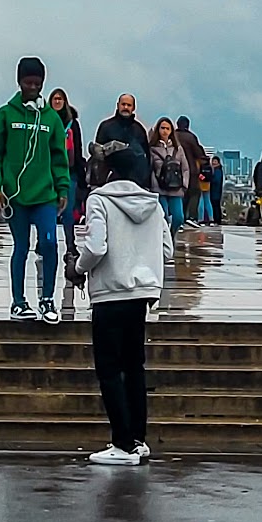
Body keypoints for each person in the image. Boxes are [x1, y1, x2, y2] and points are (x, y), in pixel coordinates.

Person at [73, 142, 173, 466]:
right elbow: (167, 250)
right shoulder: (153, 205)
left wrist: (77, 268)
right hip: (141, 294)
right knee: (134, 367)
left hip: (110, 292)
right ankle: (138, 440)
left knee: (109, 369)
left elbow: (96, 247)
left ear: (109, 169)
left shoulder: (99, 200)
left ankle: (122, 443)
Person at [0, 56, 69, 324]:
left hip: (45, 195)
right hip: (15, 196)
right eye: (28, 82)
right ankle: (18, 302)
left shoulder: (51, 119)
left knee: (49, 244)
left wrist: (63, 188)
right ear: (19, 81)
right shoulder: (5, 115)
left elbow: (59, 157)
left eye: (37, 82)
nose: (32, 87)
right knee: (21, 247)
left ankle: (47, 299)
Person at [49, 90, 86, 263]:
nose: (57, 102)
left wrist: (81, 175)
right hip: (48, 172)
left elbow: (78, 148)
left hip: (69, 171)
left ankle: (71, 245)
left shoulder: (73, 124)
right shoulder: (45, 120)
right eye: (55, 99)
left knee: (68, 210)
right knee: (48, 210)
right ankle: (46, 242)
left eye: (60, 99)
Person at [148, 117, 189, 235]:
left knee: (179, 217)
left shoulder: (178, 149)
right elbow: (150, 168)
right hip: (159, 188)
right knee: (163, 216)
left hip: (176, 188)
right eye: (162, 128)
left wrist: (184, 185)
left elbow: (185, 168)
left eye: (167, 128)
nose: (165, 131)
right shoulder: (152, 149)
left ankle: (171, 236)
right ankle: (163, 240)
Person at [173, 118, 208, 226]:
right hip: (190, 169)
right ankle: (191, 217)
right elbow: (198, 152)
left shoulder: (173, 135)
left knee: (178, 194)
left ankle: (179, 217)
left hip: (174, 169)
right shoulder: (190, 137)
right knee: (194, 193)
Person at [95, 94, 151, 160]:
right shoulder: (105, 127)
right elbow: (98, 154)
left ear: (133, 108)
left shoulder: (139, 130)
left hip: (134, 168)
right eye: (123, 104)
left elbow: (146, 157)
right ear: (118, 105)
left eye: (129, 105)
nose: (126, 107)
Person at [208, 156, 225, 226]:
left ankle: (217, 220)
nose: (214, 163)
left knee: (216, 205)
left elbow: (216, 180)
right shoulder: (214, 170)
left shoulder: (217, 170)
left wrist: (210, 180)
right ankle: (216, 219)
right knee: (215, 205)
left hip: (216, 190)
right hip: (215, 190)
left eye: (215, 161)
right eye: (213, 161)